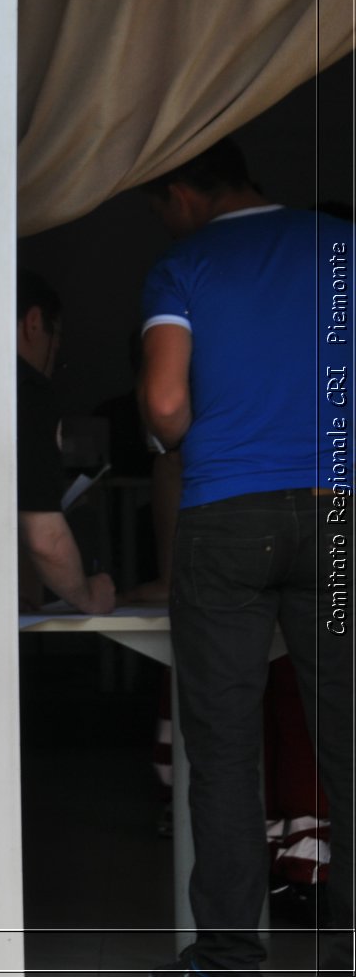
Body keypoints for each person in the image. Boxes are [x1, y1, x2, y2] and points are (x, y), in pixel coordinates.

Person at [138, 137, 353, 976]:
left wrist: (177, 434)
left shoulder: (182, 266)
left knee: (225, 745)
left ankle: (230, 950)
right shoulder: (341, 246)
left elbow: (163, 401)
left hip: (228, 519)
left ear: (184, 193)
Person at [16, 270, 116, 614]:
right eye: (55, 337)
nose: (55, 352)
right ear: (33, 322)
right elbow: (44, 537)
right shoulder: (27, 393)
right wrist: (88, 594)